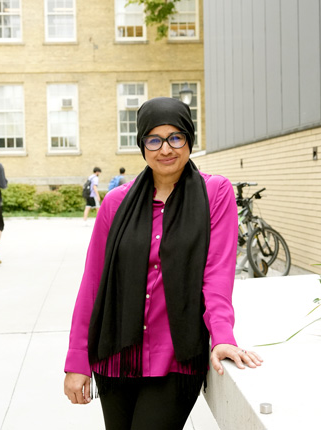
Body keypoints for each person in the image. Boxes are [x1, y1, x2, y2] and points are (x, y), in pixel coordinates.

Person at [63, 97, 262, 429]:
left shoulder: (215, 193)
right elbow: (93, 283)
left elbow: (217, 273)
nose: (166, 149)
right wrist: (77, 361)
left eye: (176, 137)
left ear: (189, 140)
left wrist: (222, 336)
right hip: (115, 356)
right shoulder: (116, 202)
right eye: (154, 139)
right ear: (142, 145)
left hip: (175, 357)